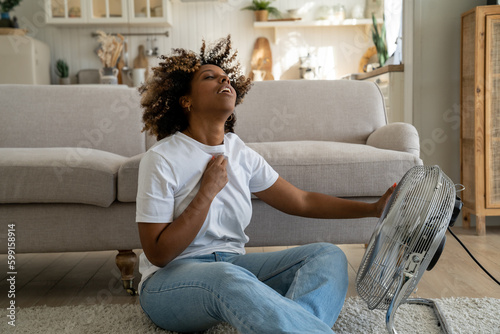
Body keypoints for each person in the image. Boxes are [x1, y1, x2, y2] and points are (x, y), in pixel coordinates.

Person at [136, 35, 395, 334]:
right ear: (186, 100)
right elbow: (158, 253)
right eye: (211, 77)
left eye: (227, 77)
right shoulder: (161, 159)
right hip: (170, 282)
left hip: (233, 269)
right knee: (226, 277)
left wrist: (374, 209)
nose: (225, 80)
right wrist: (206, 193)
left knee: (327, 256)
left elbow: (302, 201)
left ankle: (295, 325)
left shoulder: (239, 153)